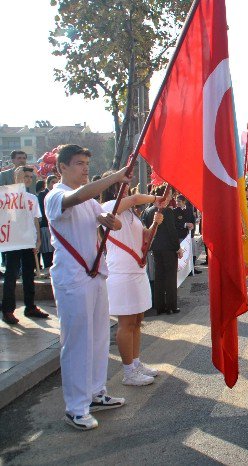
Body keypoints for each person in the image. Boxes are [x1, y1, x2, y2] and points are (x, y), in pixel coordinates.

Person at [45, 144, 130, 431]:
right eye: (79, 163)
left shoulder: (90, 202)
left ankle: (96, 393)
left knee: (97, 338)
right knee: (77, 342)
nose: (84, 168)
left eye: (86, 163)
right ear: (62, 168)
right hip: (72, 278)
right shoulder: (56, 196)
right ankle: (75, 407)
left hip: (94, 276)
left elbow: (112, 223)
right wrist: (117, 176)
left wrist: (110, 221)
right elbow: (81, 195)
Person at [100, 175, 166, 386]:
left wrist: (154, 225)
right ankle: (128, 372)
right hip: (121, 272)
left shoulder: (131, 213)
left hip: (136, 271)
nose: (127, 188)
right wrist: (156, 198)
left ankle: (136, 363)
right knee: (126, 323)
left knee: (137, 321)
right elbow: (136, 198)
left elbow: (144, 238)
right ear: (113, 188)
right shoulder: (110, 206)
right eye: (123, 184)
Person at [1, 167, 49, 325]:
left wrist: (38, 239)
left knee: (29, 274)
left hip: (28, 241)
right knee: (11, 275)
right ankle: (8, 309)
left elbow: (36, 219)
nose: (27, 179)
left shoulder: (32, 198)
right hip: (13, 241)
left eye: (30, 176)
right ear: (16, 176)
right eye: (24, 176)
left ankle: (30, 306)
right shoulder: (6, 196)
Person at [142, 187, 182, 315]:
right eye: (168, 195)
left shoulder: (147, 211)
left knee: (159, 277)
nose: (170, 197)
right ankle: (171, 306)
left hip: (155, 248)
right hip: (169, 249)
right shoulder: (167, 212)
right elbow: (172, 232)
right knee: (170, 277)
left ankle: (159, 305)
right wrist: (178, 248)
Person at [38, 175, 58, 271]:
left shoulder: (58, 194)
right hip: (45, 226)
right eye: (53, 182)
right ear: (48, 183)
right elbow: (42, 211)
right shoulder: (42, 195)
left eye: (56, 182)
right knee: (47, 251)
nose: (55, 184)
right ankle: (47, 269)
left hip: (56, 227)